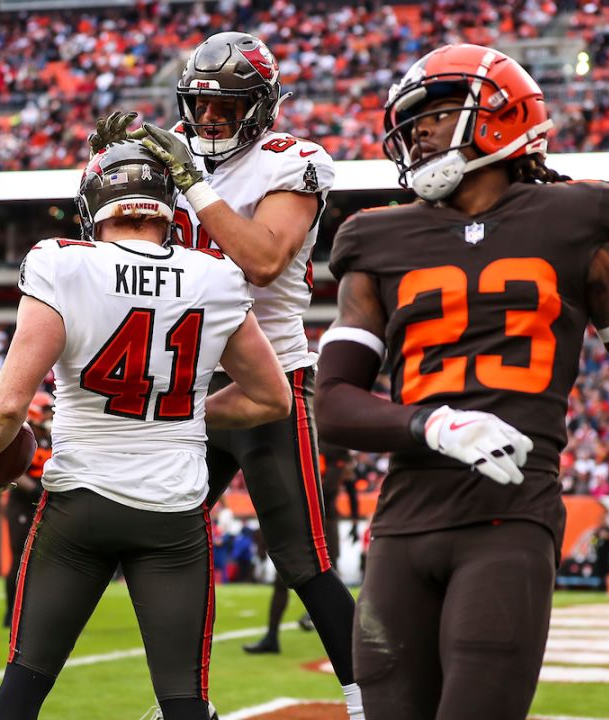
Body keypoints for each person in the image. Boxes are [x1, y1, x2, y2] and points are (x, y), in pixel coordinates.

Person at [314, 43, 609, 719]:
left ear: (500, 117)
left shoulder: (580, 219)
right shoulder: (375, 237)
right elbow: (335, 406)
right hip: (400, 521)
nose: (419, 133)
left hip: (509, 517)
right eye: (414, 121)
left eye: (435, 114)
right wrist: (431, 422)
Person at [0, 140, 290, 720]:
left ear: (94, 205)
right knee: (184, 701)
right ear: (168, 208)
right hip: (173, 512)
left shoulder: (63, 262)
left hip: (80, 504)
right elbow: (272, 398)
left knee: (23, 688)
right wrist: (178, 410)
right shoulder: (215, 277)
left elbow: (7, 407)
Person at [94, 32, 364, 717]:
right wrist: (110, 169)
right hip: (185, 384)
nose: (210, 120)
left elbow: (263, 259)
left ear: (263, 107)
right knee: (162, 546)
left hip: (269, 384)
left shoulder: (291, 162)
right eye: (201, 105)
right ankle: (186, 703)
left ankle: (372, 701)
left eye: (228, 106)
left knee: (302, 561)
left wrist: (191, 180)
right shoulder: (170, 159)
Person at [243, 441, 361, 653]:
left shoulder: (334, 447)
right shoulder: (299, 439)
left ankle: (344, 637)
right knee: (283, 579)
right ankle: (272, 636)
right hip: (299, 519)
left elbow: (341, 486)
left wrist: (353, 521)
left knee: (327, 575)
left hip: (323, 520)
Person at [2, 391, 54, 628]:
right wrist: (35, 488)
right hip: (23, 502)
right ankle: (11, 611)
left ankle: (36, 610)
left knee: (44, 559)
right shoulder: (25, 436)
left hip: (47, 503)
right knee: (20, 557)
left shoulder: (54, 438)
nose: (51, 415)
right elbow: (12, 469)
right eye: (47, 410)